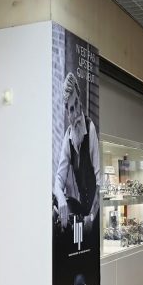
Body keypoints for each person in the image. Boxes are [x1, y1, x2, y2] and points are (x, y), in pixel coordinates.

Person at [54, 72, 101, 231]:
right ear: (68, 113)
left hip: (95, 213)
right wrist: (60, 197)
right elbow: (59, 179)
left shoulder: (90, 128)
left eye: (77, 103)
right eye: (72, 109)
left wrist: (92, 216)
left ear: (80, 101)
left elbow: (100, 180)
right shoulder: (68, 137)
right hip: (83, 211)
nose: (76, 113)